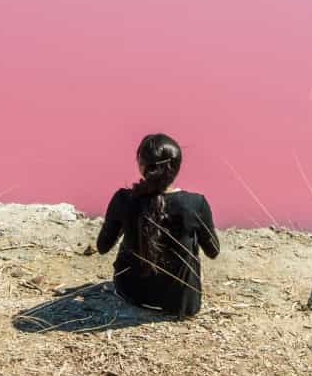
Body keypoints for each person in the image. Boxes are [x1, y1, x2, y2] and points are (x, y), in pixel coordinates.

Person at [93, 132, 219, 317]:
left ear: (141, 165)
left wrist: (127, 223)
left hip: (132, 294)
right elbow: (213, 251)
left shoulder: (124, 199)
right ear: (177, 167)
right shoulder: (195, 203)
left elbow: (103, 247)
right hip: (182, 302)